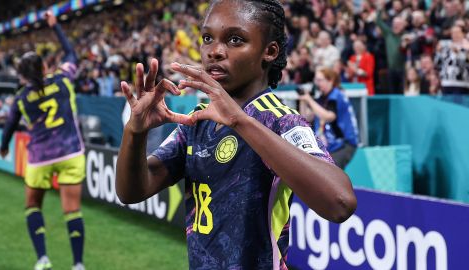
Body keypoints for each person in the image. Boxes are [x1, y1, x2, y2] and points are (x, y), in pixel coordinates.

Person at [116, 1, 357, 269]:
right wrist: (135, 132)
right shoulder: (198, 119)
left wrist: (239, 121)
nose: (215, 51)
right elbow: (132, 191)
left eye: (234, 39)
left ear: (269, 51)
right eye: (207, 38)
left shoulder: (278, 119)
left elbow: (340, 202)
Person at [0, 11, 85, 270]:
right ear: (45, 67)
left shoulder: (21, 99)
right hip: (71, 153)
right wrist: (55, 26)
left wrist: (3, 147)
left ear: (23, 76)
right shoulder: (63, 80)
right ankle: (78, 264)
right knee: (72, 210)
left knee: (32, 206)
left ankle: (42, 259)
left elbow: (10, 125)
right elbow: (71, 54)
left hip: (40, 158)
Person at [299, 68, 359, 169]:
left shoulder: (336, 95)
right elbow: (305, 118)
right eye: (316, 80)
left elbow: (329, 117)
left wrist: (309, 100)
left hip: (344, 144)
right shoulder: (321, 98)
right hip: (331, 146)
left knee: (330, 172)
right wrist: (303, 100)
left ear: (330, 80)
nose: (317, 84)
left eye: (320, 80)